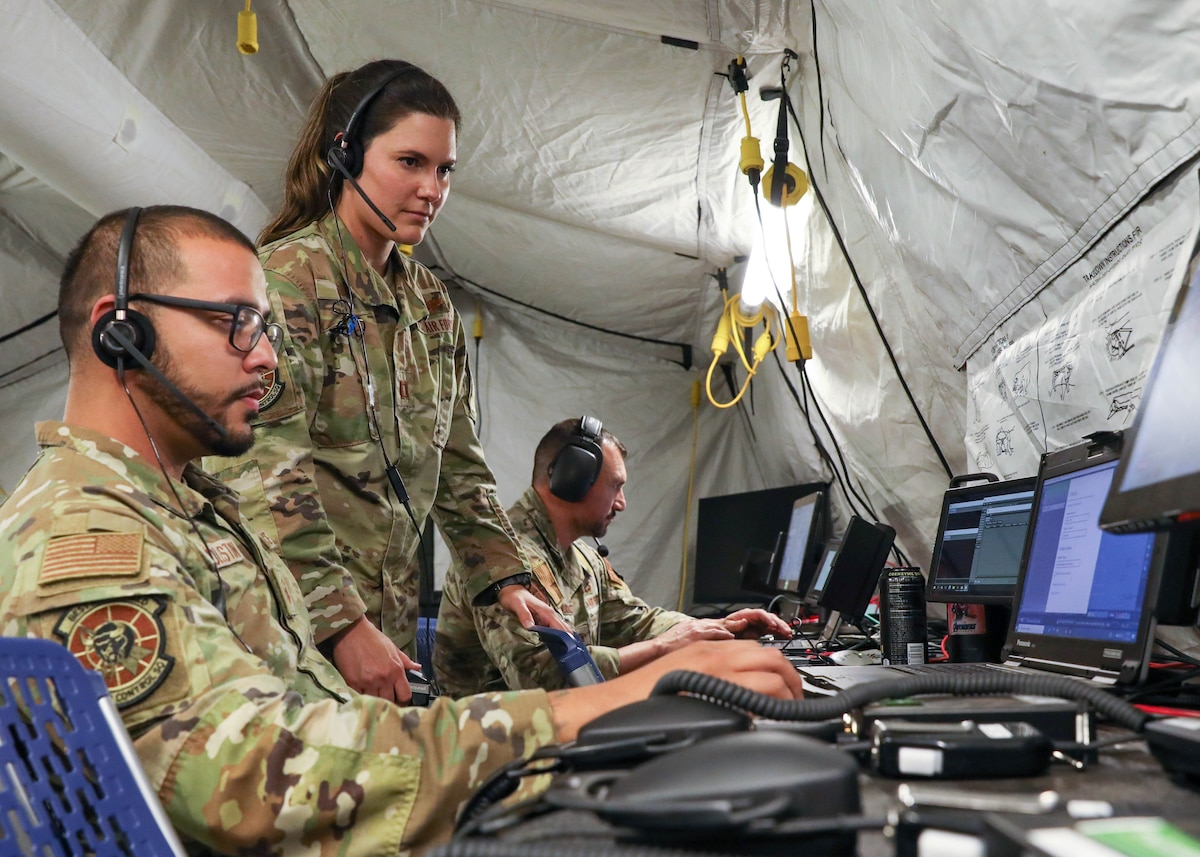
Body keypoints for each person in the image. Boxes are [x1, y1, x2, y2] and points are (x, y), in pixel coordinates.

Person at [0, 205, 803, 855]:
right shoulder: (88, 539)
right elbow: (259, 779)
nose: (267, 359)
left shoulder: (195, 508)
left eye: (269, 329)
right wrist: (598, 708)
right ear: (120, 330)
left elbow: (306, 720)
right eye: (237, 323)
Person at [205, 59, 560, 704]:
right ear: (345, 155)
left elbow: (458, 465)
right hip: (293, 627)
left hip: (386, 627)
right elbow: (264, 476)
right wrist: (341, 626)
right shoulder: (286, 282)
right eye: (410, 162)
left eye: (445, 169)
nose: (432, 189)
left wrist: (506, 579)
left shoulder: (429, 303)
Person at [435, 417, 795, 695]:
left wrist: (718, 629)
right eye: (615, 486)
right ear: (571, 479)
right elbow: (541, 680)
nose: (622, 503)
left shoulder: (584, 559)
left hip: (554, 727)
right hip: (491, 746)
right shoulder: (500, 562)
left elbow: (635, 621)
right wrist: (666, 647)